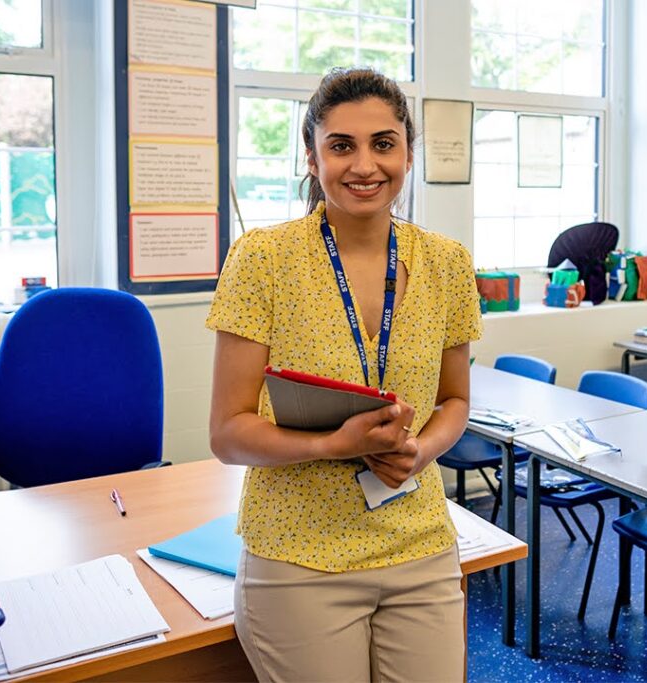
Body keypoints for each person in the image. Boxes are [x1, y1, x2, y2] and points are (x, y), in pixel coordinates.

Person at [206, 67, 482, 682]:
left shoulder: (446, 263)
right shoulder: (262, 260)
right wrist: (336, 445)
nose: (365, 165)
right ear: (312, 155)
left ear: (408, 151)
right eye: (341, 146)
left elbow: (456, 400)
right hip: (300, 554)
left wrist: (419, 450)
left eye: (383, 144)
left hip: (419, 545)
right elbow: (227, 434)